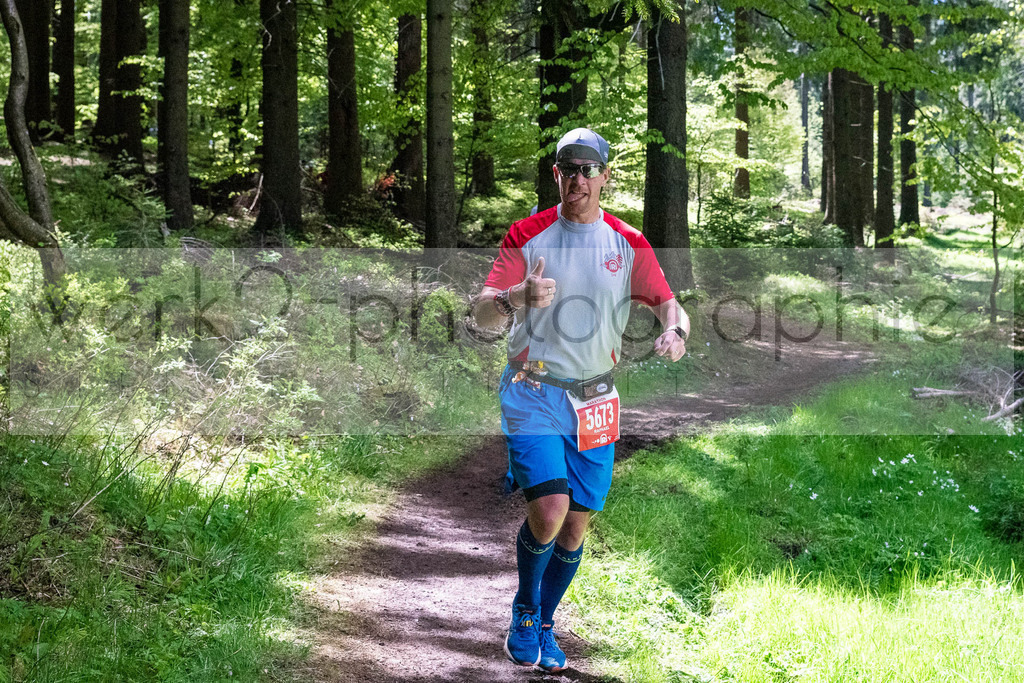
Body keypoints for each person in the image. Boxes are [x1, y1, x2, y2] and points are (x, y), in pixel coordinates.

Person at [472, 128, 689, 672]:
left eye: (590, 169)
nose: (579, 178)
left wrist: (675, 332)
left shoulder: (626, 242)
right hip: (533, 390)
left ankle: (545, 619)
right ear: (556, 176)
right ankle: (525, 610)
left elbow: (670, 304)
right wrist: (515, 297)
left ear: (605, 176)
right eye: (569, 168)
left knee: (575, 524)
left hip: (595, 399)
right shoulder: (527, 235)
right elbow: (479, 316)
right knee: (549, 510)